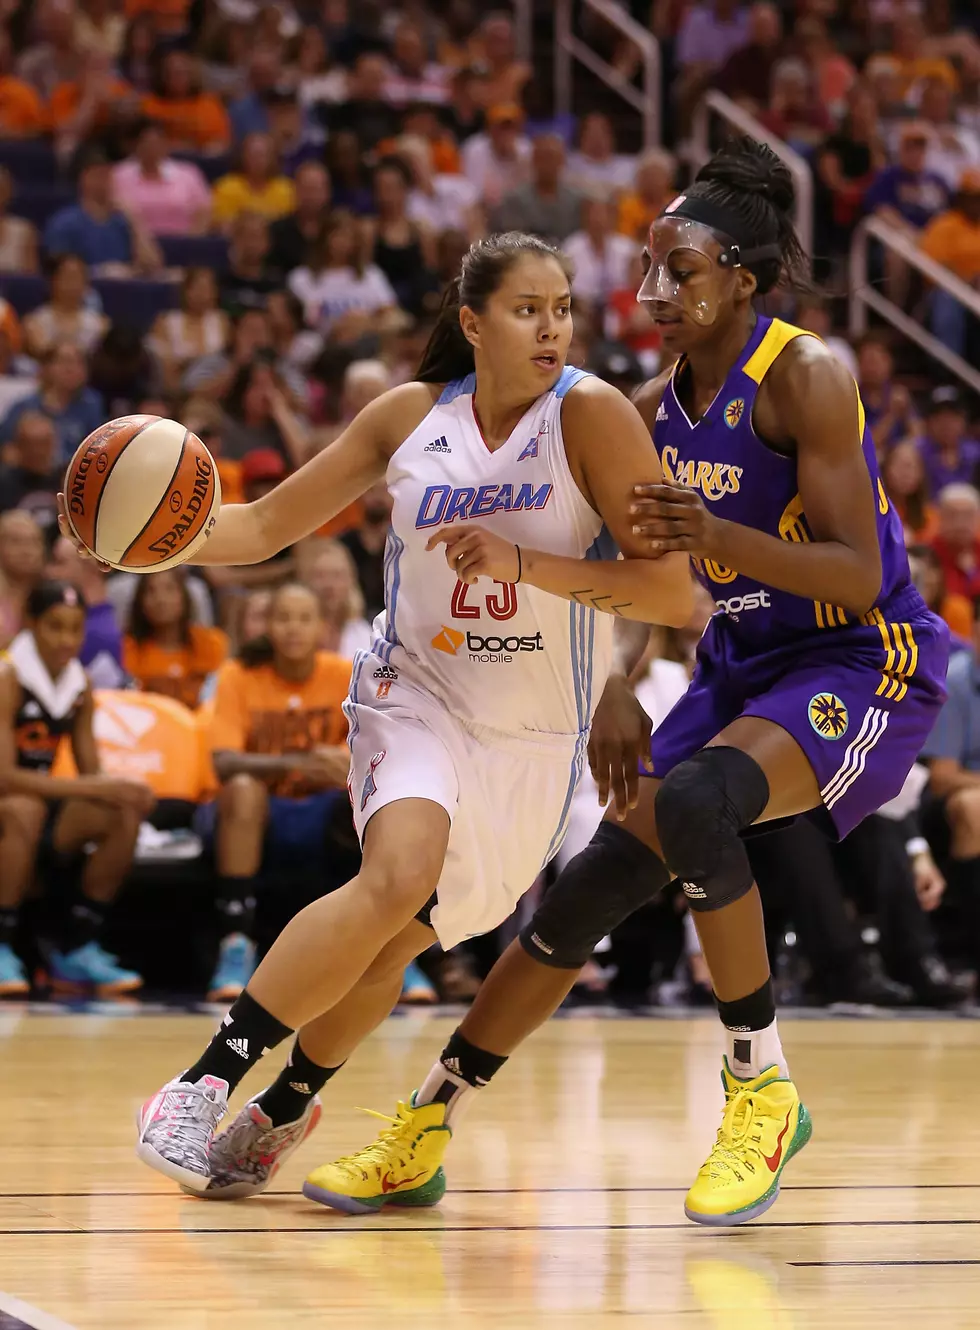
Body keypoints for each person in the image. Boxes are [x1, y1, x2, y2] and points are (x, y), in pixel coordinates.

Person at [281, 138, 951, 1227]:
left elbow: (858, 570)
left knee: (692, 804)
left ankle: (758, 1088)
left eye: (676, 272)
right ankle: (426, 1121)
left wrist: (717, 530)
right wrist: (614, 684)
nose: (650, 293)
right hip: (734, 664)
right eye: (644, 270)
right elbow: (638, 587)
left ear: (739, 274)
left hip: (855, 658)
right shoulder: (645, 407)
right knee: (594, 877)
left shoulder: (805, 375)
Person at [110, 228, 693, 1193]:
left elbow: (671, 596)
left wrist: (531, 574)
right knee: (395, 876)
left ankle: (288, 1101)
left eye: (562, 310)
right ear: (472, 322)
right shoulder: (409, 418)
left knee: (401, 932)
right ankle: (200, 1084)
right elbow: (257, 527)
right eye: (526, 309)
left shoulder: (590, 416)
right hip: (412, 692)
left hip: (536, 739)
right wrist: (139, 544)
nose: (552, 329)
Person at [200, 583, 354, 1002]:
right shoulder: (237, 675)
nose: (293, 628)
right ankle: (235, 942)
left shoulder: (344, 674)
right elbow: (224, 762)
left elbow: (374, 748)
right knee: (244, 789)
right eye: (283, 618)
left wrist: (342, 763)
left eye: (304, 618)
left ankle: (395, 956)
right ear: (267, 626)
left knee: (376, 796)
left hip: (322, 808)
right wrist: (300, 763)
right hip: (255, 812)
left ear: (321, 627)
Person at [0, 582, 154, 996]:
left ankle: (77, 947)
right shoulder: (8, 676)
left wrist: (120, 789)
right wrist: (94, 786)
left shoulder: (79, 684)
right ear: (31, 624)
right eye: (55, 627)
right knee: (22, 809)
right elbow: (4, 776)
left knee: (120, 812)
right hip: (11, 800)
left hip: (37, 798)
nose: (66, 640)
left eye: (75, 629)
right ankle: (3, 945)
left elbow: (91, 772)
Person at [122, 571, 228, 710]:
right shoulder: (128, 648)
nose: (160, 599)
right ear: (140, 601)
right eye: (150, 591)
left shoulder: (211, 643)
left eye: (169, 589)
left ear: (184, 596)